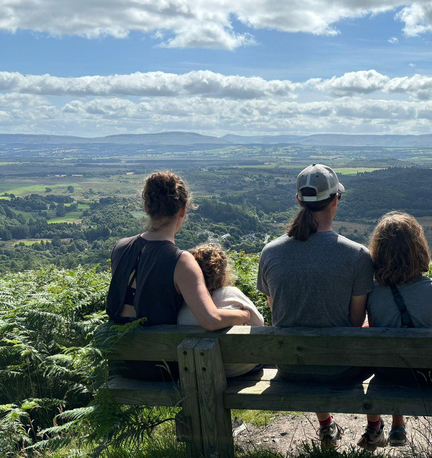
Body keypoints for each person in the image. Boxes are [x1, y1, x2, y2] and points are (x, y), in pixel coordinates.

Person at [256, 164, 374, 449]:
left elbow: (279, 314)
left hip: (290, 368)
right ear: (335, 200)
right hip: (339, 370)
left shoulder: (270, 253)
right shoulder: (357, 255)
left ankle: (326, 425)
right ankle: (375, 425)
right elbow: (356, 323)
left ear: (298, 201)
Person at [106, 171, 252, 380]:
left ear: (147, 208)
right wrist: (244, 315)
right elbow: (211, 320)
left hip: (120, 363)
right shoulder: (181, 261)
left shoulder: (120, 247)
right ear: (183, 210)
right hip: (161, 366)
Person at [361, 212, 432, 450]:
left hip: (386, 372)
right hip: (422, 375)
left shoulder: (372, 292)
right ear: (419, 248)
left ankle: (395, 425)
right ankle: (399, 426)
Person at [177, 243, 265, 377]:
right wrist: (244, 316)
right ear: (223, 276)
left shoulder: (184, 303)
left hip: (200, 370)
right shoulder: (232, 293)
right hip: (241, 368)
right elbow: (259, 323)